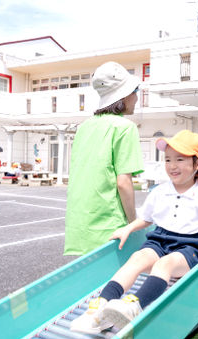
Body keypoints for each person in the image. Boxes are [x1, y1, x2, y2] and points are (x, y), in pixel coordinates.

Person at [70, 130, 198, 334]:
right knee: (137, 258)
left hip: (188, 247)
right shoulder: (160, 192)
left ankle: (134, 306)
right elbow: (146, 218)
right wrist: (128, 228)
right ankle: (101, 307)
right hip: (159, 239)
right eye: (168, 159)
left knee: (163, 264)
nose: (172, 165)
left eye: (180, 159)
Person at [64, 61, 144, 255]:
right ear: (125, 95)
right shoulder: (124, 128)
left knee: (87, 283)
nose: (137, 97)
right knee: (116, 283)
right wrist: (133, 223)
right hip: (108, 224)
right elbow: (124, 182)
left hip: (78, 226)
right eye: (135, 91)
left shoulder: (84, 127)